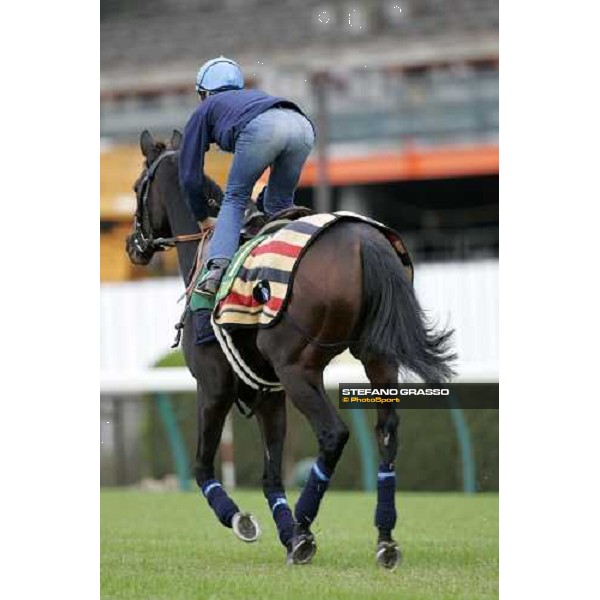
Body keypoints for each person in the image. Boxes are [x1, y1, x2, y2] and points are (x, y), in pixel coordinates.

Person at [179, 56, 315, 297]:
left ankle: (216, 270)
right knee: (279, 203)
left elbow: (190, 177)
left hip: (264, 128)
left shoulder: (205, 108)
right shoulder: (251, 97)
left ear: (205, 93)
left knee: (235, 197)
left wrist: (201, 217)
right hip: (301, 124)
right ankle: (301, 257)